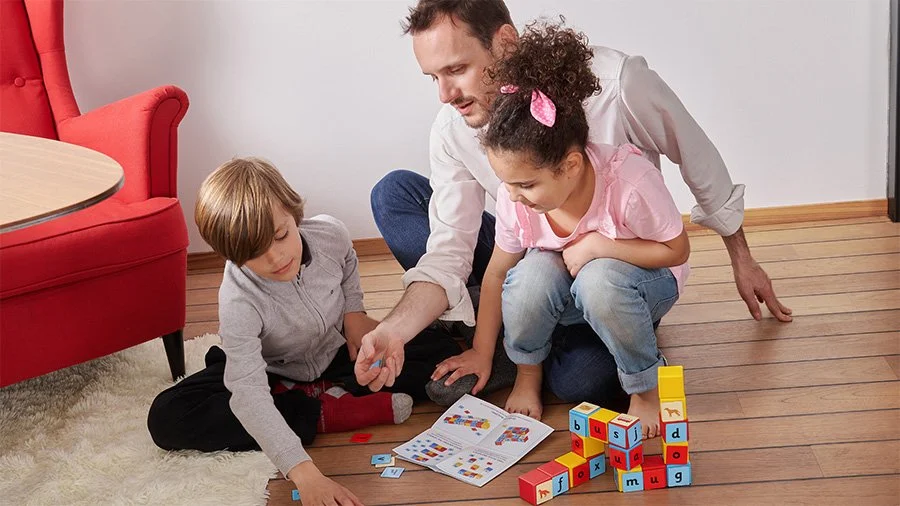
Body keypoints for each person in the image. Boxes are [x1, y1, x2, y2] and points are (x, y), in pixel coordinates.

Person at [356, 0, 792, 407]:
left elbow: (697, 157)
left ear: (505, 42)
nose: (445, 94)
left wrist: (743, 258)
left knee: (579, 382)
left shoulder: (616, 83)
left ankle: (524, 337)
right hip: (530, 256)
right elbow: (452, 252)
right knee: (395, 194)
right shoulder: (454, 127)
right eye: (434, 77)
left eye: (457, 69)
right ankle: (508, 333)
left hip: (617, 269)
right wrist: (394, 331)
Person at [147, 158, 458, 506]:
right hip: (271, 369)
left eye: (281, 235)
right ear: (233, 257)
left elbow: (348, 261)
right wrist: (304, 473)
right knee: (167, 417)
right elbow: (247, 393)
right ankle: (318, 413)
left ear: (293, 215)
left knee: (440, 349)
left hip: (335, 351)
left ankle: (322, 393)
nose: (276, 257)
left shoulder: (329, 233)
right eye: (254, 254)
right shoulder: (238, 300)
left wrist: (353, 312)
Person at [438, 21, 690, 438]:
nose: (515, 196)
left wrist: (599, 246)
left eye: (527, 185)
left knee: (599, 280)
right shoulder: (516, 198)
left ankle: (645, 388)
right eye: (508, 184)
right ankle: (527, 372)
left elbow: (676, 250)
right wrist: (483, 350)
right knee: (531, 274)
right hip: (570, 290)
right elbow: (498, 272)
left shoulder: (629, 182)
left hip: (642, 285)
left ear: (570, 166)